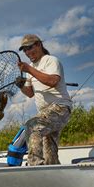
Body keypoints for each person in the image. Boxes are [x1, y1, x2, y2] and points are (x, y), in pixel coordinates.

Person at [15, 34, 72, 166]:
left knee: (32, 126)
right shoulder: (31, 67)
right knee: (49, 153)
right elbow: (29, 93)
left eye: (30, 48)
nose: (28, 52)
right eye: (25, 50)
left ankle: (35, 166)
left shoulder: (51, 61)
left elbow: (53, 81)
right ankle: (53, 173)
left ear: (39, 45)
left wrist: (29, 69)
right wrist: (21, 85)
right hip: (46, 113)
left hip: (60, 108)